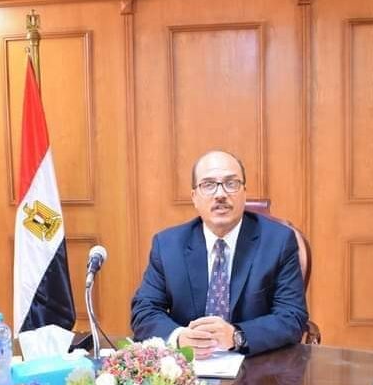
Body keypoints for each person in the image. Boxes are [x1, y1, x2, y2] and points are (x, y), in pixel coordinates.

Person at [131, 150, 308, 358]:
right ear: (194, 197)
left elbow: (292, 316)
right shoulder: (168, 245)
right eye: (208, 185)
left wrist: (236, 336)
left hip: (256, 364)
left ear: (244, 192)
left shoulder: (278, 241)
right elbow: (144, 311)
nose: (220, 194)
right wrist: (179, 338)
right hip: (188, 367)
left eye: (231, 183)